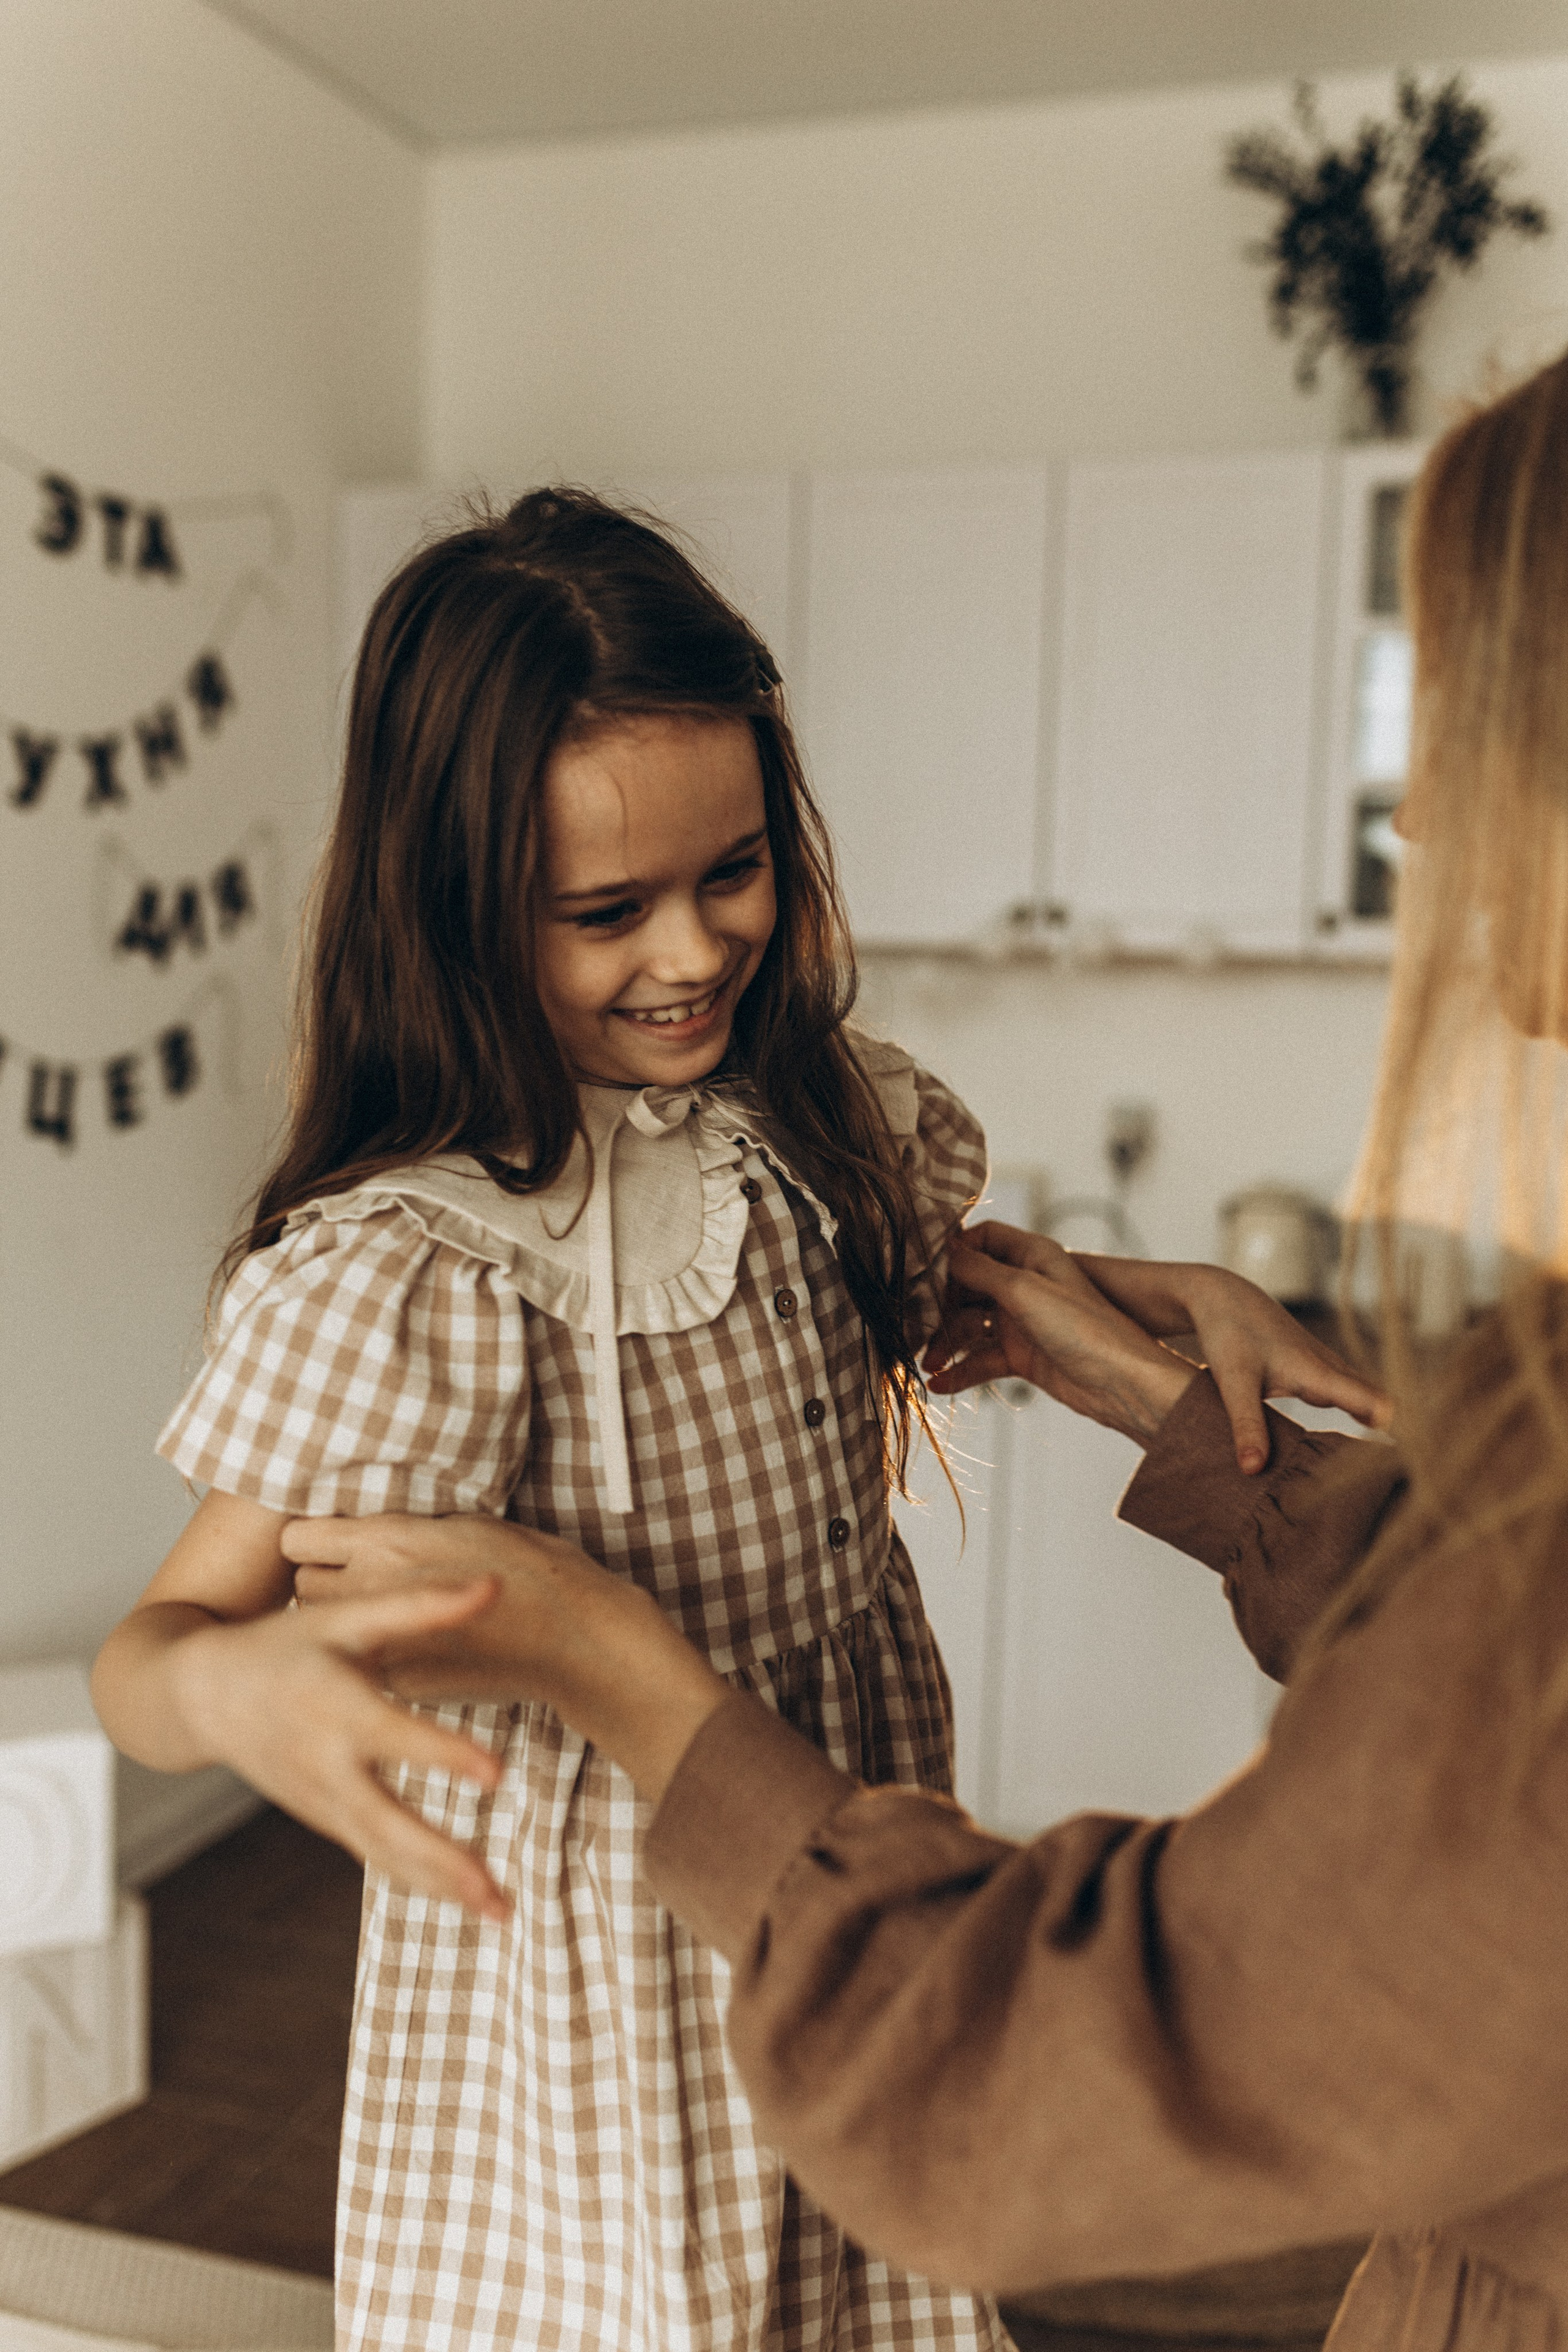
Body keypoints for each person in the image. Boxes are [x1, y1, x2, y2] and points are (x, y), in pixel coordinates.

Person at [275, 348, 1568, 2352]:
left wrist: (628, 1676)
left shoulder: (814, 1127)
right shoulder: (418, 1258)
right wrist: (1156, 1395)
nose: (1427, 835)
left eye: (1473, 766)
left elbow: (1070, 2066)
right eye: (605, 906)